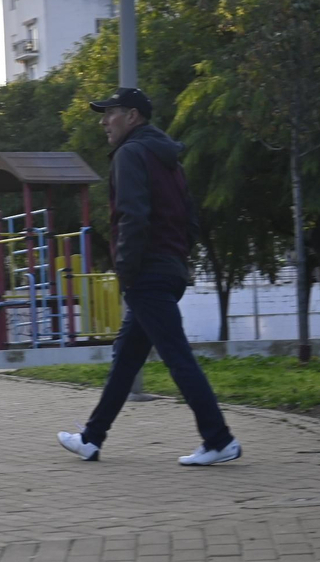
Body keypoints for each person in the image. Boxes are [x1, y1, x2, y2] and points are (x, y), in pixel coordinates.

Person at [56, 88, 241, 466]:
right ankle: (91, 438)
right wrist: (177, 256)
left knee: (177, 357)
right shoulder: (169, 159)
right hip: (168, 268)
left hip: (147, 270)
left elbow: (132, 216)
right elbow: (190, 219)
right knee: (126, 358)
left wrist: (127, 270)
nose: (104, 121)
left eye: (111, 113)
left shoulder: (130, 154)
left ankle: (219, 439)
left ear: (133, 117)